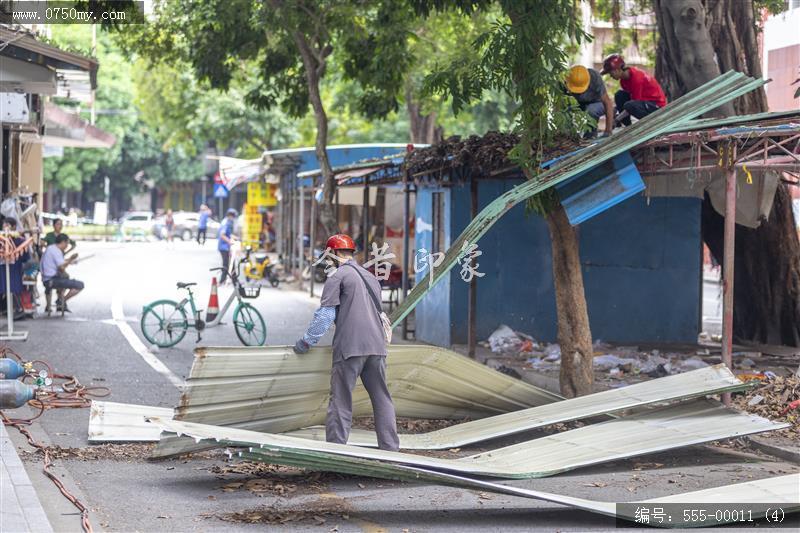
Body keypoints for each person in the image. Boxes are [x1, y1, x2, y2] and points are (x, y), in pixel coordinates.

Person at [293, 234, 399, 452]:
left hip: (350, 347)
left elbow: (324, 316)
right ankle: (390, 450)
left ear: (331, 254)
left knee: (341, 400)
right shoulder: (370, 277)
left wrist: (306, 342)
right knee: (382, 398)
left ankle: (336, 451)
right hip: (377, 347)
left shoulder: (337, 277)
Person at [600, 53, 667, 127]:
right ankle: (627, 126)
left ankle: (652, 124)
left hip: (656, 106)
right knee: (619, 95)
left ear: (618, 69)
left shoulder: (637, 78)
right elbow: (628, 102)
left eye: (611, 73)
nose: (611, 76)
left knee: (629, 105)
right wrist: (613, 111)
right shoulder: (623, 81)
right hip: (644, 103)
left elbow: (632, 105)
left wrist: (616, 119)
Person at [565, 65, 614, 138]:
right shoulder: (566, 80)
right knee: (566, 110)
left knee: (591, 110)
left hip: (596, 104)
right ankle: (570, 135)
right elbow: (559, 107)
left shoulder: (595, 77)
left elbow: (607, 103)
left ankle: (590, 135)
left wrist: (608, 130)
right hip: (577, 103)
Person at [41, 234, 84, 312]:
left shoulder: (51, 248)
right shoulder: (56, 251)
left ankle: (60, 300)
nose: (67, 246)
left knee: (66, 277)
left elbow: (60, 263)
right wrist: (70, 259)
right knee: (80, 285)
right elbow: (61, 267)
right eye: (67, 243)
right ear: (63, 242)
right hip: (51, 280)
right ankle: (62, 300)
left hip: (47, 278)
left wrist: (69, 261)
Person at [217, 208, 238, 284]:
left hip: (225, 247)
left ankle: (235, 281)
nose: (233, 218)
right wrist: (229, 242)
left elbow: (227, 234)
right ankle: (222, 280)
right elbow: (222, 235)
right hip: (223, 247)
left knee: (231, 263)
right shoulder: (225, 223)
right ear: (230, 215)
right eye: (233, 216)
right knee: (226, 264)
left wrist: (234, 238)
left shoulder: (227, 222)